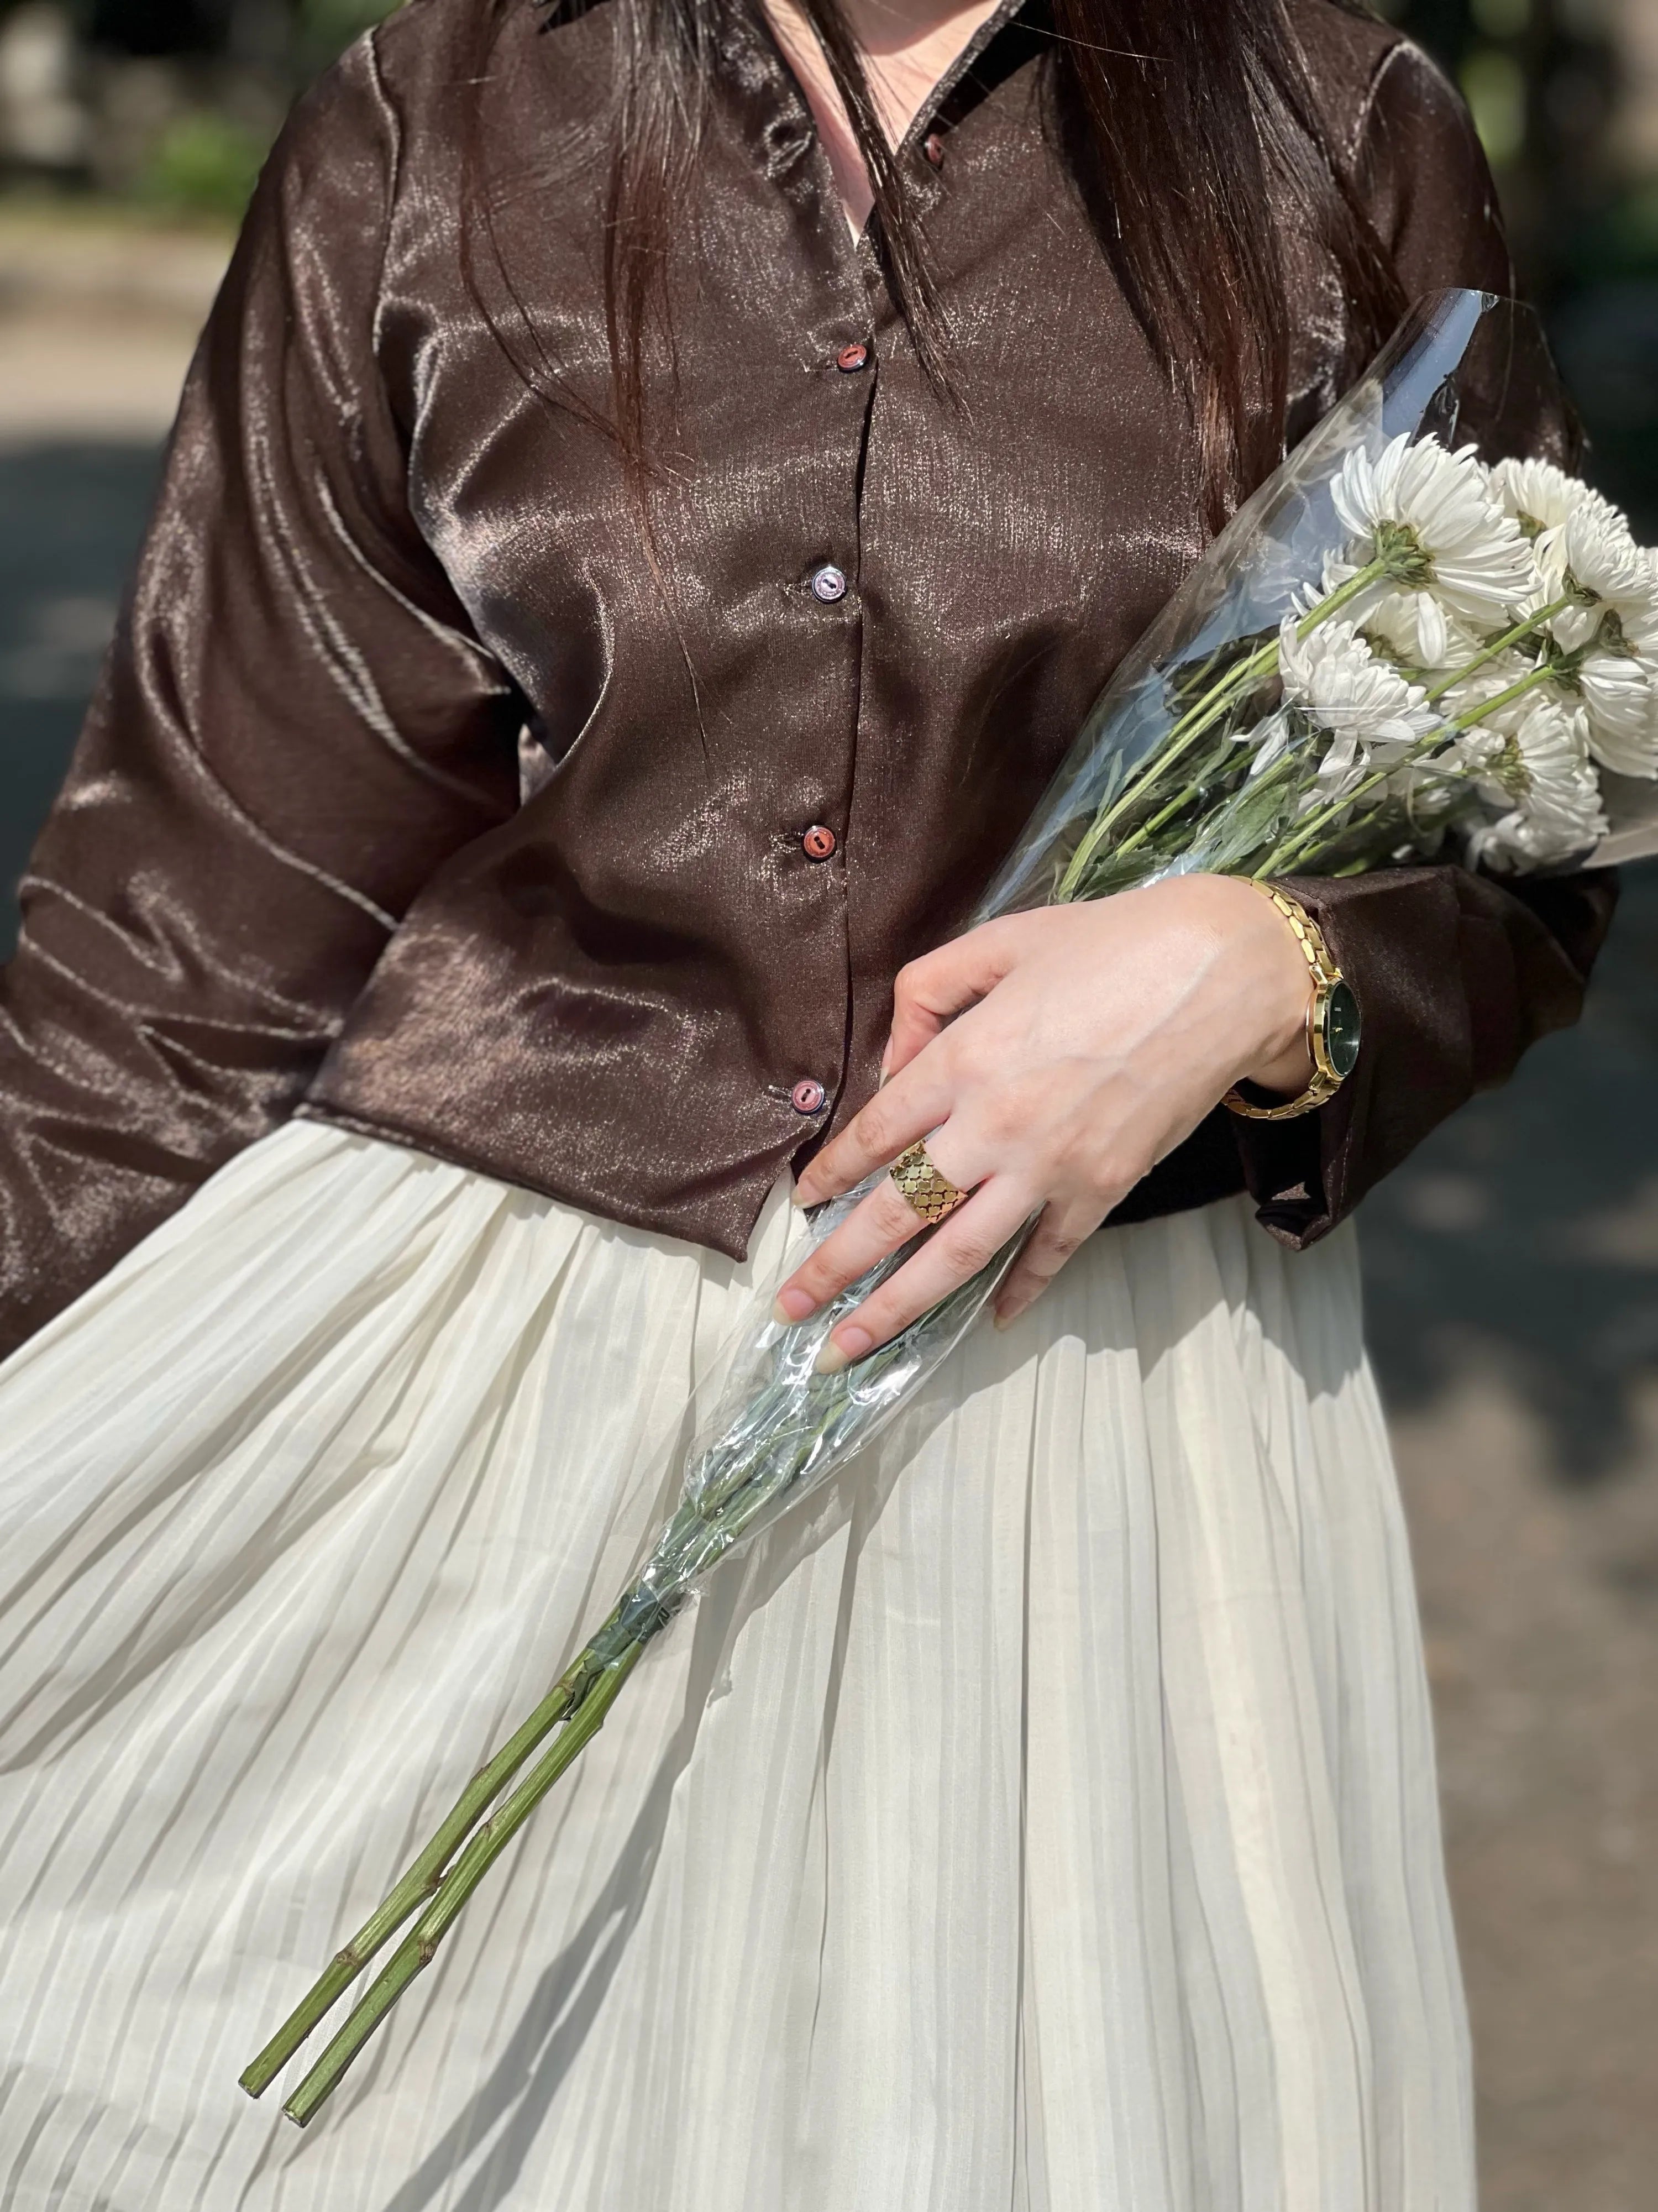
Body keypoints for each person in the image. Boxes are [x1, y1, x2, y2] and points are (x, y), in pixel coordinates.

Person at [0, 0, 1615, 2204]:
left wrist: (1270, 963)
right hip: (468, 1381)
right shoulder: (440, 111)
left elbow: (1533, 810)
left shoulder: (1339, 126)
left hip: (1081, 1441)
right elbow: (188, 921)